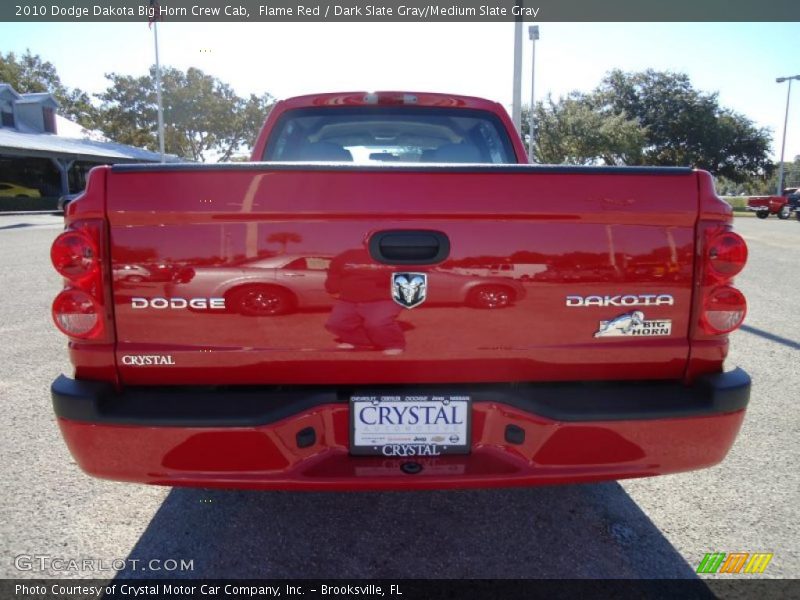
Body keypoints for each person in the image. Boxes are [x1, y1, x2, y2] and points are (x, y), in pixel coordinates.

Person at [324, 247, 406, 354]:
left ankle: (393, 344)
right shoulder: (349, 254)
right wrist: (333, 288)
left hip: (385, 298)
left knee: (377, 323)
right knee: (336, 324)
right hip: (349, 299)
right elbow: (334, 272)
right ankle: (359, 341)